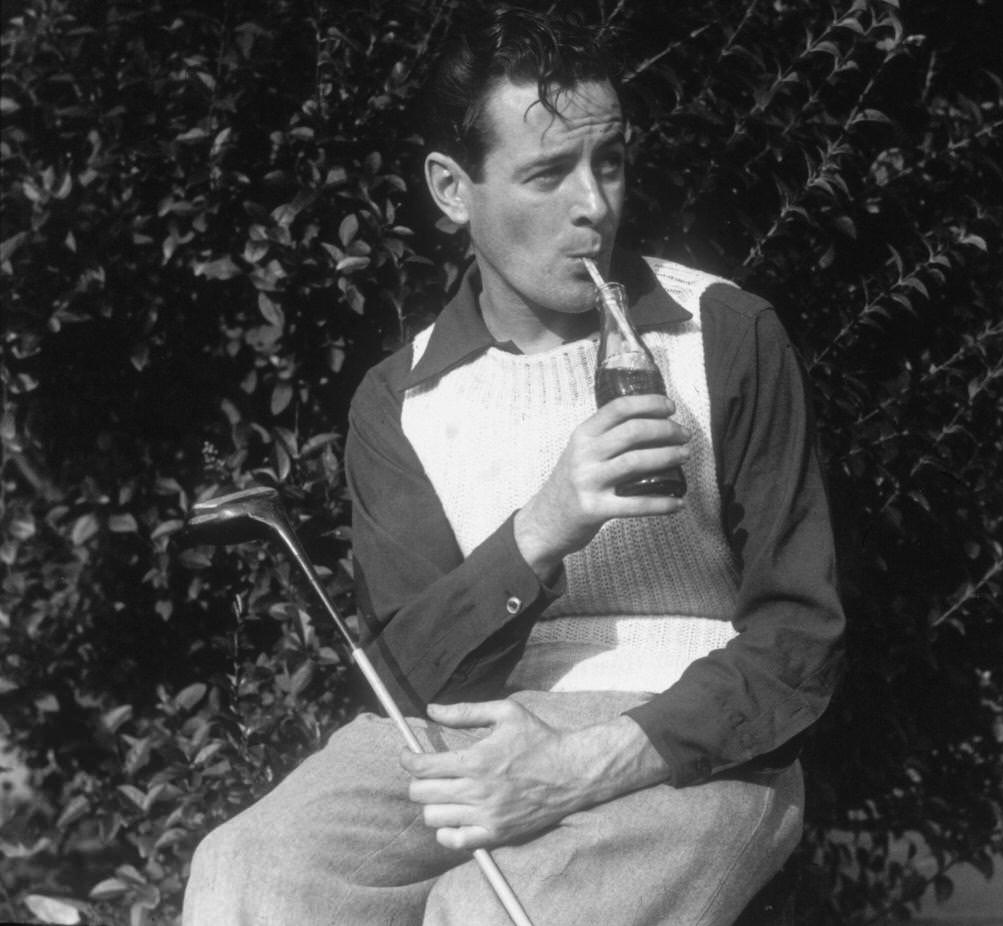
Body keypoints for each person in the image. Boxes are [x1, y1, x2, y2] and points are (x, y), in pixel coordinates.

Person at [183, 6, 843, 924]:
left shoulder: (726, 335)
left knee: (487, 914)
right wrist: (541, 529)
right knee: (246, 874)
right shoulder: (404, 399)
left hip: (697, 741)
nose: (595, 206)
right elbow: (405, 679)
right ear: (454, 190)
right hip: (466, 734)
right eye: (548, 173)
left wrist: (575, 765)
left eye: (607, 160)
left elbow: (799, 644)